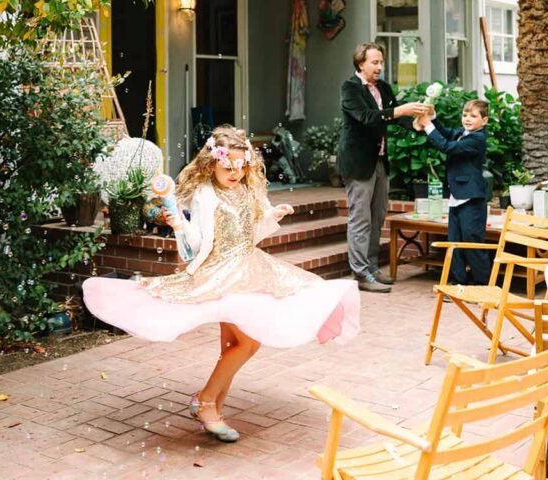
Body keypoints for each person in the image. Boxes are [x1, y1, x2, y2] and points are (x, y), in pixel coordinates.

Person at [83, 126, 359, 442]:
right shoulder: (205, 195)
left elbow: (250, 235)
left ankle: (213, 406)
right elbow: (198, 244)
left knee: (232, 345)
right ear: (212, 163)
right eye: (228, 166)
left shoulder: (248, 190)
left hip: (249, 268)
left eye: (240, 167)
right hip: (220, 272)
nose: (235, 173)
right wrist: (179, 225)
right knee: (248, 342)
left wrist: (273, 215)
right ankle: (204, 401)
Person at [340, 43, 430, 293]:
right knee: (360, 218)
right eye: (374, 62)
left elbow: (397, 118)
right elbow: (367, 117)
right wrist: (399, 110)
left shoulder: (384, 88)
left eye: (381, 62)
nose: (380, 67)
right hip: (358, 163)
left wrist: (416, 124)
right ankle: (360, 274)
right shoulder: (350, 88)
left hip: (379, 160)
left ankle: (371, 268)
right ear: (361, 63)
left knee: (378, 215)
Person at [414, 98, 492, 285]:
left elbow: (447, 146)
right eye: (465, 114)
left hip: (471, 198)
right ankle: (458, 282)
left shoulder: (477, 139)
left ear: (484, 120)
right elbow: (446, 133)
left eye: (473, 116)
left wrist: (426, 125)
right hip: (457, 195)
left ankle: (484, 284)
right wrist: (432, 116)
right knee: (454, 242)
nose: (467, 118)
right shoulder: (462, 133)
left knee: (471, 243)